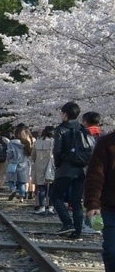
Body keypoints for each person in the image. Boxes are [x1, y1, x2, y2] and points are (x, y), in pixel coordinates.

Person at [84, 128, 115, 272]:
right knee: (112, 250)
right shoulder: (107, 143)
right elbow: (96, 174)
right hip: (111, 207)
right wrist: (92, 203)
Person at [53, 102, 89, 239]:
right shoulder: (82, 128)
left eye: (62, 112)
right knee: (76, 200)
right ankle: (78, 231)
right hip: (82, 169)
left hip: (66, 168)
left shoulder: (61, 129)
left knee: (55, 196)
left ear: (65, 114)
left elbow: (57, 151)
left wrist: (58, 165)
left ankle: (67, 223)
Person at [32, 126, 56, 214]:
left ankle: (41, 206)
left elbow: (33, 156)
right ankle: (50, 207)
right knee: (52, 187)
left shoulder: (37, 142)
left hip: (39, 166)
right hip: (51, 167)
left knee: (41, 187)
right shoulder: (53, 142)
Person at [5, 126, 33, 201]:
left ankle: (13, 190)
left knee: (10, 179)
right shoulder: (26, 142)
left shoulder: (12, 142)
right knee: (22, 182)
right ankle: (22, 197)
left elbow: (9, 153)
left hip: (13, 163)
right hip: (24, 164)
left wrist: (9, 158)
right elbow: (30, 154)